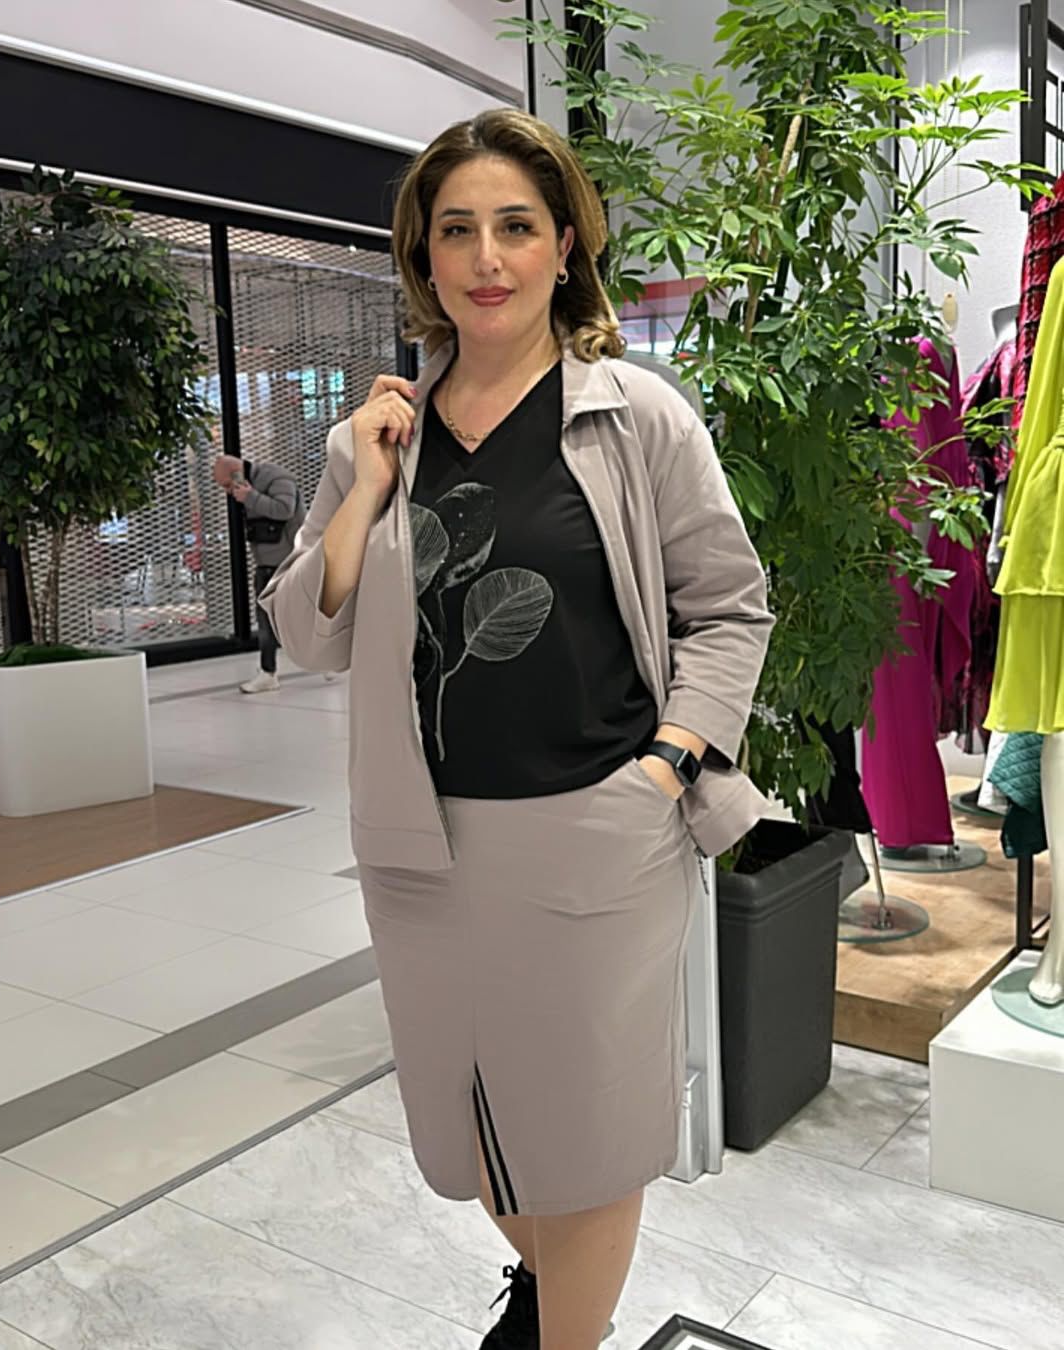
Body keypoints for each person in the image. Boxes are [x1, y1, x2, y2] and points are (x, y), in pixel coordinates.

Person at [260, 109, 773, 1350]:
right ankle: (550, 1299)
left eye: (516, 227)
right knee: (475, 1127)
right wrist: (366, 486)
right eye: (457, 231)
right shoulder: (372, 440)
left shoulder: (637, 416)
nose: (487, 258)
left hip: (598, 833)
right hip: (421, 848)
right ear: (422, 258)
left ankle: (563, 1337)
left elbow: (729, 606)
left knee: (588, 1139)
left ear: (563, 247)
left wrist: (668, 765)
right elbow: (308, 634)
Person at [212, 452, 303, 693]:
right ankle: (268, 672)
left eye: (227, 485)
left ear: (237, 473)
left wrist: (250, 497)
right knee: (265, 619)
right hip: (266, 564)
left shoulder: (277, 478)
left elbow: (285, 509)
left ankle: (330, 658)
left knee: (304, 613)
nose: (228, 491)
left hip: (291, 561)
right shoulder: (244, 488)